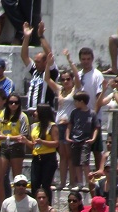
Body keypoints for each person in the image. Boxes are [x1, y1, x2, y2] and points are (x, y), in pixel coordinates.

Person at [43, 51, 81, 190]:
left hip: (69, 125)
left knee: (70, 155)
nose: (65, 81)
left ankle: (72, 182)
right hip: (59, 125)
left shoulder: (75, 90)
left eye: (67, 79)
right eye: (63, 79)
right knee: (63, 156)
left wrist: (70, 60)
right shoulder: (59, 90)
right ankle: (63, 182)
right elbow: (47, 79)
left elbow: (77, 76)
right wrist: (48, 64)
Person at [20, 22, 59, 109]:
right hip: (32, 111)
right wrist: (26, 37)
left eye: (38, 62)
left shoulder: (51, 72)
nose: (35, 63)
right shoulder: (35, 71)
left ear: (45, 62)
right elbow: (24, 56)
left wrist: (41, 36)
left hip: (45, 111)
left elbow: (49, 54)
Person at [66, 92, 100, 191]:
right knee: (76, 163)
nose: (75, 103)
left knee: (85, 162)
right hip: (75, 140)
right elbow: (70, 125)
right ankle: (80, 183)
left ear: (82, 102)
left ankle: (88, 182)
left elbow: (96, 127)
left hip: (85, 141)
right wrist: (68, 136)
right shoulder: (74, 112)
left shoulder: (92, 113)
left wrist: (93, 138)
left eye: (76, 101)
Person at [27, 105, 59, 203]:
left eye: (37, 111)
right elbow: (33, 145)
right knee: (34, 184)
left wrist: (43, 142)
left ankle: (47, 206)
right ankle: (34, 206)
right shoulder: (34, 126)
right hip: (37, 157)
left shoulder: (52, 126)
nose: (35, 113)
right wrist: (25, 141)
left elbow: (56, 143)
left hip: (48, 158)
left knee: (45, 185)